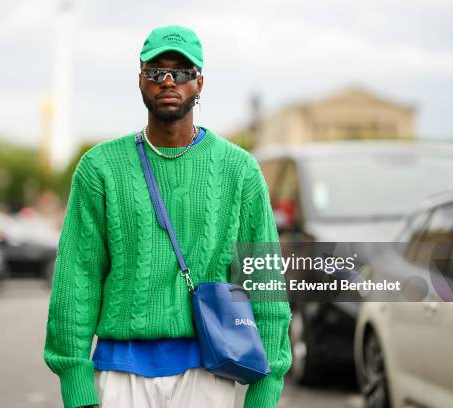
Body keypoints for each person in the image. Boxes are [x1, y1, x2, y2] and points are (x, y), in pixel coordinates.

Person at [43, 25, 292, 408]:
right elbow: (78, 277)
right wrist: (75, 380)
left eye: (183, 71)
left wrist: (266, 385)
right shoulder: (100, 168)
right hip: (119, 373)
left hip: (210, 372)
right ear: (140, 80)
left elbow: (263, 278)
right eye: (157, 72)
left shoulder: (238, 170)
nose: (169, 81)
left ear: (200, 82)